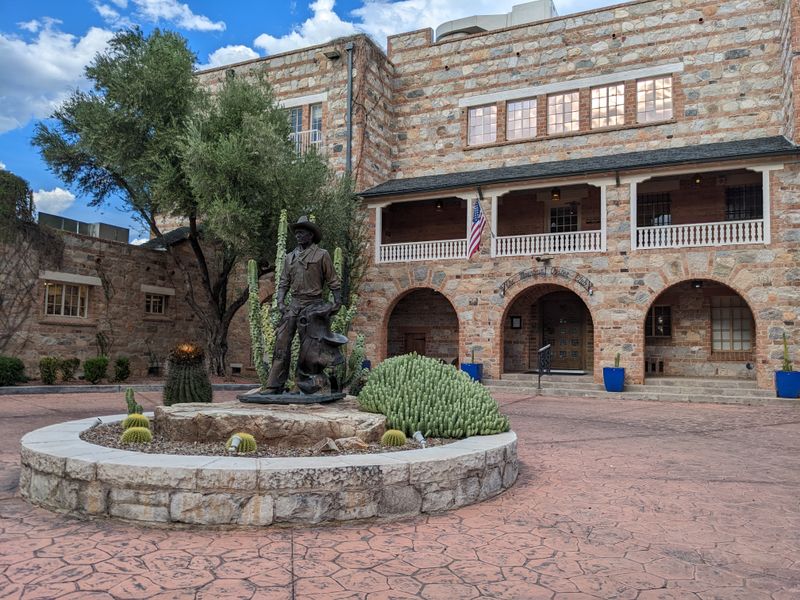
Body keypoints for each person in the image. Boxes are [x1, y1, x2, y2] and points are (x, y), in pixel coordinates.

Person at [263, 216, 343, 394]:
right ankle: (274, 385)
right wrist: (280, 301)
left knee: (309, 348)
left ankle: (303, 384)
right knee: (281, 342)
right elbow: (283, 282)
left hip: (313, 306)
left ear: (311, 235)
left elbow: (333, 281)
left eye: (302, 233)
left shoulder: (322, 255)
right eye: (296, 233)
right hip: (293, 305)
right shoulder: (289, 257)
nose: (298, 236)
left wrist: (337, 302)